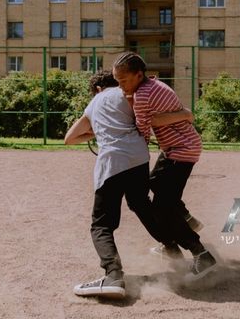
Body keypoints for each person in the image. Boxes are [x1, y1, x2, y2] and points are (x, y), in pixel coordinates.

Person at [64, 71, 190, 299]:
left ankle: (113, 275)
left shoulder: (95, 102)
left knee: (101, 224)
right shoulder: (130, 94)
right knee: (141, 204)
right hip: (139, 159)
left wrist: (96, 134)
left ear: (99, 89)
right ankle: (174, 252)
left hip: (113, 162)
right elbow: (147, 120)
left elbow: (69, 138)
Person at [112, 53, 217, 281]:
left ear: (138, 75)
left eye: (123, 81)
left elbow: (142, 132)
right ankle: (183, 221)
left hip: (180, 151)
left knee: (162, 207)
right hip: (179, 149)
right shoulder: (154, 83)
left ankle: (201, 253)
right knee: (155, 185)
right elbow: (156, 120)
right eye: (117, 81)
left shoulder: (142, 95)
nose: (121, 87)